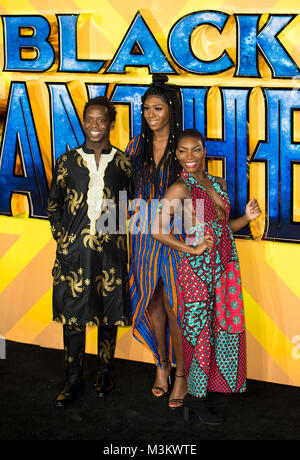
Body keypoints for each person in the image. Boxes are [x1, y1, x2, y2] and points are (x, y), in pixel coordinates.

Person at [151, 129, 261, 424]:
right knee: (199, 332)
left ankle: (206, 392)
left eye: (196, 150)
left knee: (220, 327)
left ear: (204, 152)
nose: (190, 157)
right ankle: (195, 398)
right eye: (184, 151)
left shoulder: (219, 183)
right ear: (177, 155)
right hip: (197, 270)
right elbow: (157, 229)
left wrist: (247, 219)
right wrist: (192, 248)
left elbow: (226, 228)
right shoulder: (179, 188)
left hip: (225, 265)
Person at [47, 96, 132, 407]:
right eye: (89, 120)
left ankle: (104, 373)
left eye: (101, 120)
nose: (95, 126)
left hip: (109, 252)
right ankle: (72, 380)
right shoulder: (67, 161)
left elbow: (126, 205)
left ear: (111, 123)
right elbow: (54, 203)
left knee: (109, 314)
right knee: (73, 317)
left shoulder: (123, 163)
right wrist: (63, 238)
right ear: (83, 122)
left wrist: (116, 237)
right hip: (74, 254)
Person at [125, 74, 187, 408]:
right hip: (142, 236)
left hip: (176, 233)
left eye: (158, 108)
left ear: (171, 110)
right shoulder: (137, 146)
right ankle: (160, 364)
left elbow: (197, 184)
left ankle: (180, 375)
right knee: (150, 302)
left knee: (175, 305)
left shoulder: (183, 146)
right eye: (147, 108)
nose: (151, 114)